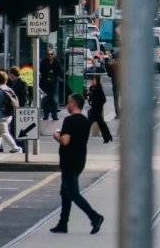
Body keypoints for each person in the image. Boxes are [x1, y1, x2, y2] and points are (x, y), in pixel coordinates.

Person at [49, 94, 104, 235]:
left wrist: (56, 136)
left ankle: (95, 217)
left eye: (68, 103)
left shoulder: (69, 120)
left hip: (69, 161)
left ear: (73, 104)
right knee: (65, 192)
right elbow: (76, 137)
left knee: (73, 193)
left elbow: (65, 141)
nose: (67, 105)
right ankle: (63, 224)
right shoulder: (85, 121)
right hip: (80, 160)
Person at [0, 72, 23, 158]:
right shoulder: (9, 89)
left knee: (4, 133)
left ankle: (16, 148)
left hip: (0, 116)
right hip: (9, 115)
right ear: (6, 80)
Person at [86, 75, 113, 144]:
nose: (92, 81)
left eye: (94, 80)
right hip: (93, 109)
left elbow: (103, 99)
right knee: (101, 124)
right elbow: (89, 97)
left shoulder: (99, 88)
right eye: (92, 80)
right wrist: (88, 95)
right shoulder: (91, 88)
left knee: (90, 124)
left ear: (97, 81)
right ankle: (108, 137)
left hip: (97, 109)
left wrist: (97, 103)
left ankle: (83, 137)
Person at [8, 67, 28, 150]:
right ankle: (19, 147)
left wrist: (20, 108)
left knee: (16, 130)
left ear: (13, 74)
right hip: (15, 110)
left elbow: (24, 98)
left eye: (9, 73)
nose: (9, 75)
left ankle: (21, 147)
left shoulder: (22, 83)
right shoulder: (13, 83)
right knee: (13, 130)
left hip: (19, 110)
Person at [40, 49, 62, 121]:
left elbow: (59, 71)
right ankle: (46, 115)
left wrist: (54, 72)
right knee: (46, 99)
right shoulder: (43, 62)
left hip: (54, 83)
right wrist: (48, 71)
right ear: (46, 55)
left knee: (54, 100)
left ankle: (54, 115)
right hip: (45, 84)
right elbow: (41, 71)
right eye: (48, 54)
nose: (50, 56)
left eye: (51, 54)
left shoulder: (56, 62)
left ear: (53, 55)